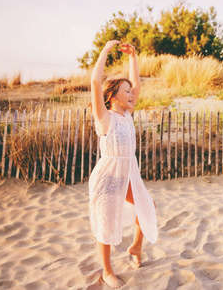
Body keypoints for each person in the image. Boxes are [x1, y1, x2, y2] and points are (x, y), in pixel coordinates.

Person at [88, 40, 158, 288]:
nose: (131, 94)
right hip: (108, 177)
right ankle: (107, 271)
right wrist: (105, 51)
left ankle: (136, 247)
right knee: (105, 223)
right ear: (112, 97)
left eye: (130, 91)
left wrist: (133, 57)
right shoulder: (105, 118)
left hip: (129, 174)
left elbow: (138, 85)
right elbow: (96, 82)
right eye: (125, 91)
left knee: (147, 207)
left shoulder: (127, 115)